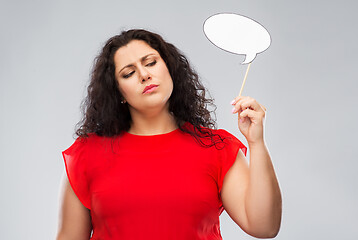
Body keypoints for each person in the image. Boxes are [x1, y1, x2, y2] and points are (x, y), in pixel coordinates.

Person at [56, 29, 282, 240]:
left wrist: (256, 142)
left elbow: (264, 226)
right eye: (129, 73)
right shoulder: (87, 154)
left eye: (151, 63)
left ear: (169, 69)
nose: (144, 75)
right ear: (118, 93)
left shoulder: (217, 148)